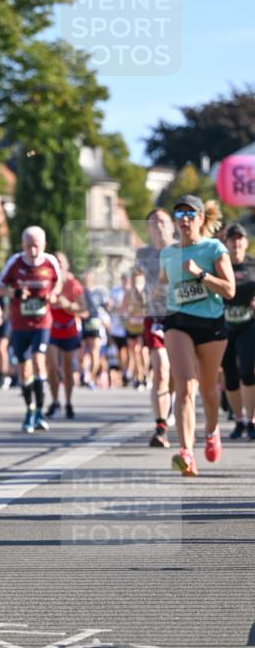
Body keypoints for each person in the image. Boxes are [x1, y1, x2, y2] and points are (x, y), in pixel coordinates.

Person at [159, 195, 235, 476]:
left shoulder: (214, 248)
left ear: (202, 219)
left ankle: (212, 431)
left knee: (207, 389)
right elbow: (162, 284)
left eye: (191, 214)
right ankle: (186, 453)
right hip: (177, 322)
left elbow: (229, 290)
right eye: (179, 215)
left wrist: (201, 275)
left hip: (211, 326)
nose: (185, 219)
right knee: (186, 386)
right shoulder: (167, 253)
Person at [0, 226, 61, 433]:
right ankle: (30, 409)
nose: (32, 251)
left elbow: (58, 283)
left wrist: (53, 294)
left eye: (36, 246)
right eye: (28, 246)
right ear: (22, 245)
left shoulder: (51, 262)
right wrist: (14, 292)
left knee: (39, 361)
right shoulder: (15, 262)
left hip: (42, 323)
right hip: (19, 323)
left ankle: (41, 411)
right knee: (24, 369)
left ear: (44, 245)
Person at [135, 208, 175, 448]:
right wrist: (137, 290)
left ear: (170, 225)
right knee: (160, 369)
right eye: (153, 223)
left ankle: (171, 401)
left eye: (162, 221)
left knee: (175, 376)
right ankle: (160, 427)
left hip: (181, 317)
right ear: (148, 228)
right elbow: (138, 277)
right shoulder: (143, 253)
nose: (158, 226)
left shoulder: (181, 250)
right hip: (155, 317)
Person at [222, 223, 255, 439]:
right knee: (230, 375)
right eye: (232, 239)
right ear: (226, 243)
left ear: (246, 242)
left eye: (239, 238)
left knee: (247, 370)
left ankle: (251, 420)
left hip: (249, 324)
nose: (236, 242)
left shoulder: (253, 265)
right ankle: (239, 419)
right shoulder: (219, 264)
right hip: (223, 325)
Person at [47, 252, 86, 420]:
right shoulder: (47, 283)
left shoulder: (72, 284)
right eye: (55, 262)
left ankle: (68, 402)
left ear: (67, 265)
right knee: (52, 366)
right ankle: (55, 401)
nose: (59, 265)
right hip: (50, 330)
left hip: (68, 330)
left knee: (68, 369)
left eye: (61, 262)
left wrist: (67, 305)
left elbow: (83, 308)